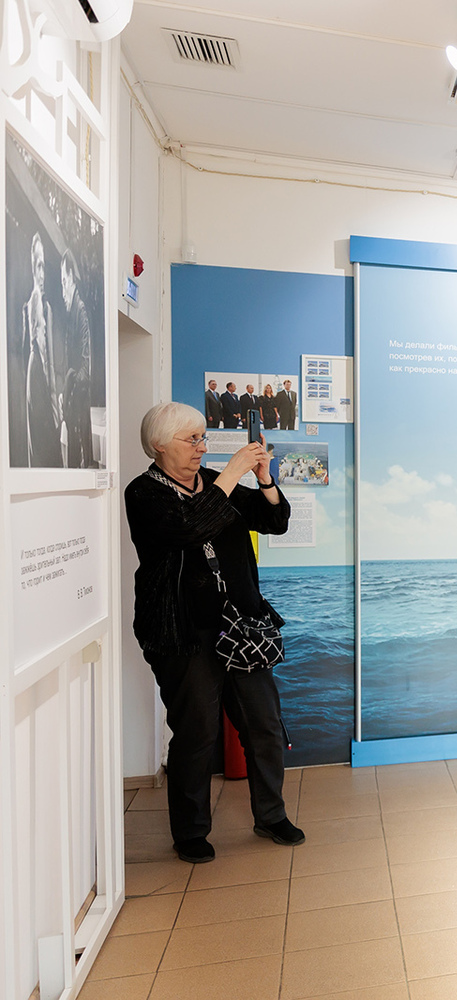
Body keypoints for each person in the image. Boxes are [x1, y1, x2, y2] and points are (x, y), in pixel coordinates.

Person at [123, 401, 303, 864]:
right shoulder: (143, 493)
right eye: (192, 439)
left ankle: (271, 815)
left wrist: (263, 478)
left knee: (264, 726)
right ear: (159, 445)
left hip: (241, 628)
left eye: (203, 438)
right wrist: (232, 473)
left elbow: (275, 522)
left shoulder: (215, 483)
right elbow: (189, 527)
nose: (202, 447)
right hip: (184, 634)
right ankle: (190, 832)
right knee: (196, 734)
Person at [23, 232, 61, 467]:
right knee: (43, 446)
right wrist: (55, 405)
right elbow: (46, 356)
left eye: (44, 267)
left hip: (37, 378)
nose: (42, 274)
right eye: (38, 266)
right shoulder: (37, 302)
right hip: (37, 380)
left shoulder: (39, 303)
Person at [58, 249, 94, 468]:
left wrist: (69, 384)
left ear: (71, 277)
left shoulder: (80, 311)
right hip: (74, 402)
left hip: (79, 404)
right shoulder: (72, 312)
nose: (62, 289)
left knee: (80, 460)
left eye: (64, 282)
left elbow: (85, 367)